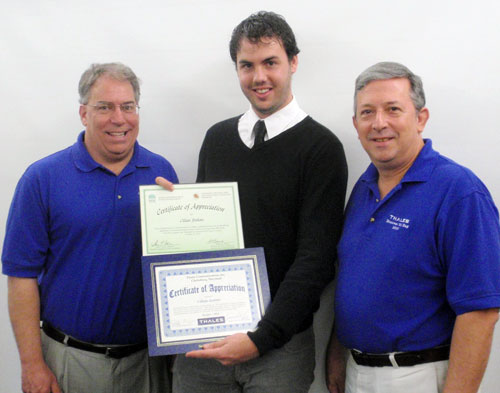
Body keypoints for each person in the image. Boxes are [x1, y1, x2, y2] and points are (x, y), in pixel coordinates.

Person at [157, 11, 347, 393]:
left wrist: (263, 337)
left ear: (293, 62)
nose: (259, 77)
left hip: (280, 350)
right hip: (204, 344)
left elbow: (316, 258)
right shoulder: (218, 139)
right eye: (247, 65)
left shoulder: (322, 149)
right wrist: (170, 218)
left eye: (270, 63)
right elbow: (204, 242)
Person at [2, 62, 178, 393]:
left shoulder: (160, 171)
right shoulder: (42, 179)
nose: (119, 118)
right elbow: (21, 277)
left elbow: (173, 267)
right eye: (104, 107)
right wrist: (31, 365)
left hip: (147, 363)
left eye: (128, 106)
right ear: (84, 113)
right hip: (70, 361)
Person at [325, 61, 500, 393]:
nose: (379, 123)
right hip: (355, 371)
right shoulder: (362, 190)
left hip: (416, 376)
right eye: (367, 113)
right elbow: (355, 283)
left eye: (393, 110)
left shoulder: (459, 192)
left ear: (421, 118)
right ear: (355, 123)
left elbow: (481, 311)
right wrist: (336, 353)